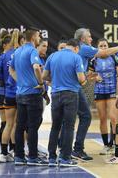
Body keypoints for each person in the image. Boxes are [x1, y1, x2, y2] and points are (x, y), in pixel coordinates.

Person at [70, 28, 118, 161]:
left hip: (109, 89)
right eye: (89, 36)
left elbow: (84, 72)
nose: (91, 39)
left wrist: (90, 76)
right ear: (82, 39)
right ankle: (77, 149)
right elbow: (103, 53)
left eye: (105, 45)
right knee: (87, 117)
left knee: (109, 117)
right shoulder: (87, 51)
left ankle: (114, 144)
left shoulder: (110, 58)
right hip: (89, 89)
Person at [43, 38, 86, 167]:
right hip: (71, 94)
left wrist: (55, 79)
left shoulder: (53, 56)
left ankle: (51, 157)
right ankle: (65, 157)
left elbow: (44, 76)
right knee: (68, 126)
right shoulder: (76, 58)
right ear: (76, 48)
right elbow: (81, 79)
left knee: (55, 126)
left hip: (55, 94)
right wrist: (84, 81)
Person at [9, 28, 45, 166]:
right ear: (33, 37)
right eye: (38, 36)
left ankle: (18, 156)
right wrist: (40, 83)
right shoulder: (32, 51)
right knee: (32, 127)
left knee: (20, 126)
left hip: (20, 93)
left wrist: (20, 81)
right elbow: (36, 67)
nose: (39, 38)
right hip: (32, 94)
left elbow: (10, 69)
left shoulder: (17, 51)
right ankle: (33, 157)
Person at [0, 30, 22, 163]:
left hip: (6, 92)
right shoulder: (21, 53)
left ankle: (5, 152)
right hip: (18, 92)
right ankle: (15, 151)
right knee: (15, 124)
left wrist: (5, 80)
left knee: (7, 124)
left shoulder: (4, 56)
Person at [89, 38, 118, 155]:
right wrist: (95, 76)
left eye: (105, 46)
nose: (103, 48)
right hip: (99, 91)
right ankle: (106, 145)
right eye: (101, 46)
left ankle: (114, 143)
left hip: (112, 90)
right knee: (102, 118)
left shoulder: (113, 57)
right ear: (97, 48)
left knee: (113, 117)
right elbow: (88, 75)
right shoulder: (94, 59)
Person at [0, 33, 11, 149]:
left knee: (10, 124)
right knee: (6, 123)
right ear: (4, 45)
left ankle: (11, 150)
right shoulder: (0, 58)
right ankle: (4, 151)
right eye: (11, 45)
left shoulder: (10, 56)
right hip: (3, 92)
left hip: (5, 92)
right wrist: (7, 82)